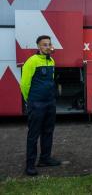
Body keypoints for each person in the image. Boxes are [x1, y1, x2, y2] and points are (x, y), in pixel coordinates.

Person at [20, 35, 61, 176]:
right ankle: (30, 165)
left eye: (49, 44)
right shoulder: (32, 61)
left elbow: (51, 80)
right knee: (33, 135)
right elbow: (24, 84)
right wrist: (30, 100)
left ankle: (45, 159)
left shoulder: (52, 61)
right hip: (36, 103)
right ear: (38, 47)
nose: (48, 47)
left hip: (50, 102)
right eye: (44, 44)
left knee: (48, 131)